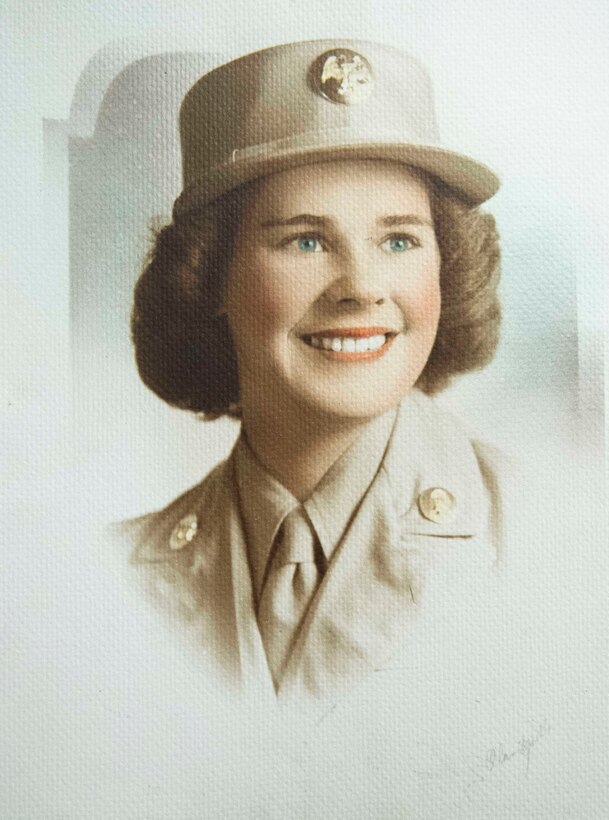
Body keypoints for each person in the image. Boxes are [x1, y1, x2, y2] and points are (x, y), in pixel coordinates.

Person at [119, 38, 511, 706]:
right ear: (212, 276)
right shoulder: (116, 569)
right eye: (305, 239)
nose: (360, 287)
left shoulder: (550, 536)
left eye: (399, 240)